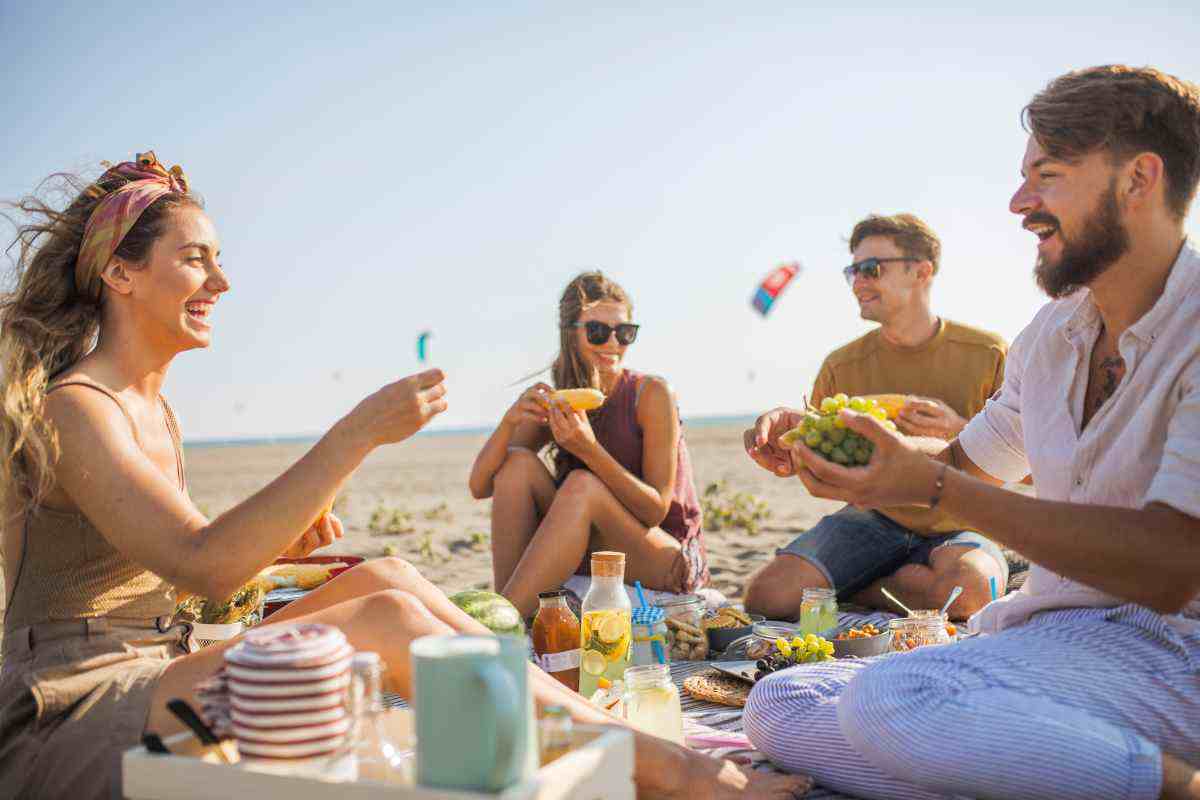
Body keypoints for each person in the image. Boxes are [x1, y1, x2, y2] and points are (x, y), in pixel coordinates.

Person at [0, 155, 807, 800]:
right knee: (383, 616)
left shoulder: (150, 408)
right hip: (75, 714)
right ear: (121, 274)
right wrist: (357, 434)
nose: (222, 282)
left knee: (385, 573)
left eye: (219, 260)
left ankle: (627, 749)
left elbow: (188, 587)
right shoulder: (81, 407)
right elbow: (200, 562)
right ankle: (674, 774)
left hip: (161, 675)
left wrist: (285, 553)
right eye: (195, 259)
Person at [742, 65, 1200, 800]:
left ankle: (1171, 788)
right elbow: (965, 463)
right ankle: (1063, 770)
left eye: (1045, 177)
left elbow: (1172, 567)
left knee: (893, 702)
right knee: (781, 702)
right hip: (1052, 635)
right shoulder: (1053, 336)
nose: (1020, 204)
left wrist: (928, 482)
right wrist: (855, 449)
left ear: (1137, 181)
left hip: (1173, 654)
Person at [744, 213, 1010, 621]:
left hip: (963, 521)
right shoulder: (841, 365)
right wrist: (788, 450)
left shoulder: (988, 353)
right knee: (766, 597)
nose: (858, 282)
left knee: (970, 593)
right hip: (872, 521)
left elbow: (1034, 467)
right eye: (852, 271)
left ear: (921, 271)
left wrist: (962, 431)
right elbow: (826, 464)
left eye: (871, 269)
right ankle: (894, 580)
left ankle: (860, 585)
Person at [469, 271, 707, 618]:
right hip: (595, 544)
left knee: (582, 485)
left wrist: (588, 450)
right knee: (518, 464)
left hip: (665, 554)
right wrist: (509, 422)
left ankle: (501, 623)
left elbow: (655, 510)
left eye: (625, 333)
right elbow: (480, 486)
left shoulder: (651, 393)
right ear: (571, 334)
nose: (613, 344)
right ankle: (508, 615)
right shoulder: (562, 398)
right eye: (598, 332)